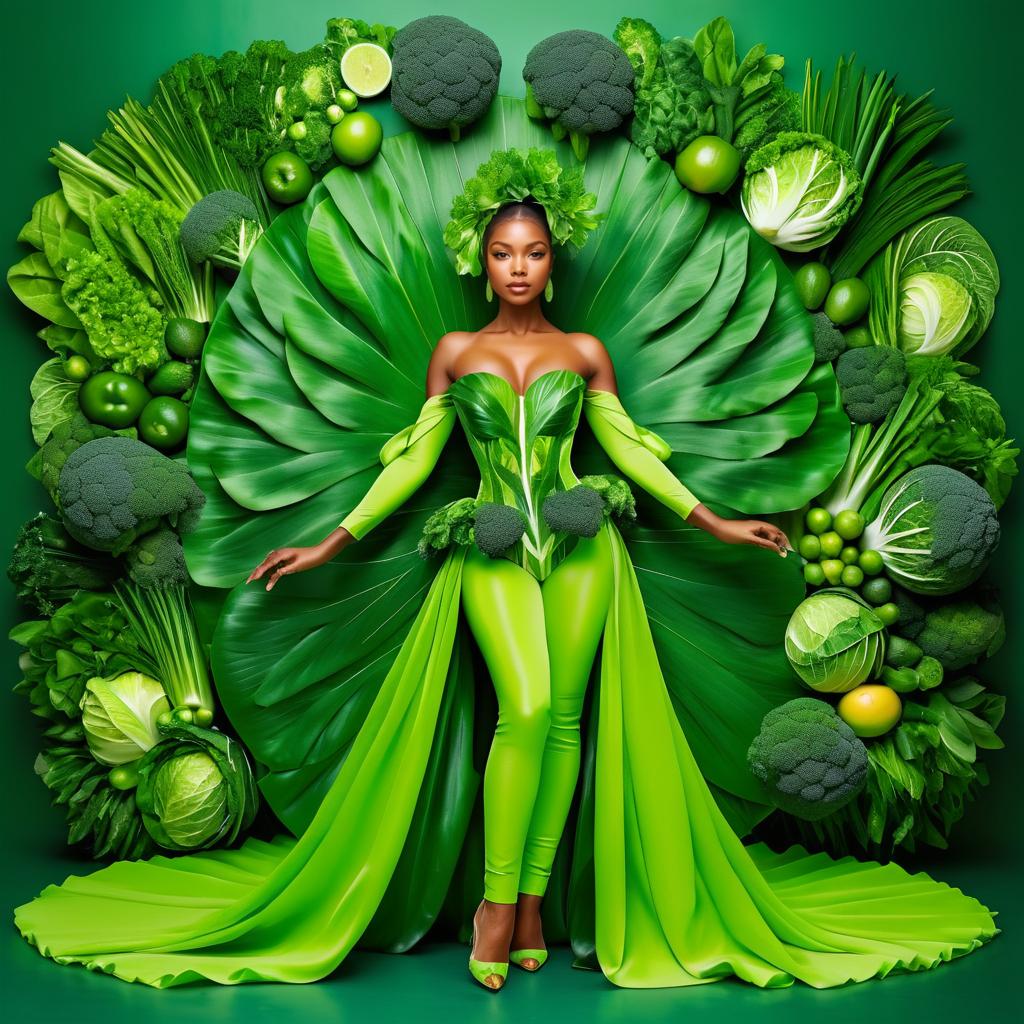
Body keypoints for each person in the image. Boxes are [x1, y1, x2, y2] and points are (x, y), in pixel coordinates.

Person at [12, 148, 998, 991]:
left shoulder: (582, 348)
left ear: (550, 262)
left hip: (583, 549)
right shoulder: (455, 351)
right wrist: (330, 542)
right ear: (480, 263)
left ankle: (529, 908)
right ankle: (494, 905)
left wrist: (717, 518)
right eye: (501, 252)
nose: (518, 265)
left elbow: (631, 448)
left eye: (532, 251)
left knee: (562, 720)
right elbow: (407, 462)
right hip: (484, 543)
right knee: (523, 711)